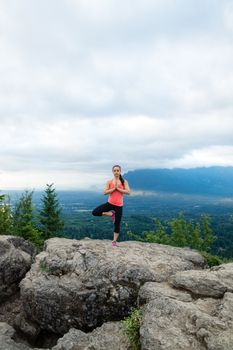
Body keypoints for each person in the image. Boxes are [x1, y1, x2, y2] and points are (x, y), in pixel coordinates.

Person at [92, 165, 130, 247]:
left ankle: (114, 241)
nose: (116, 172)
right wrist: (114, 188)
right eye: (115, 170)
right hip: (110, 204)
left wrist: (118, 189)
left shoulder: (124, 182)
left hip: (119, 206)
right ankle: (111, 214)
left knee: (117, 224)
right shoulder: (109, 181)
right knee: (95, 212)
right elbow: (105, 192)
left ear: (120, 171)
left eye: (118, 170)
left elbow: (128, 192)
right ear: (113, 172)